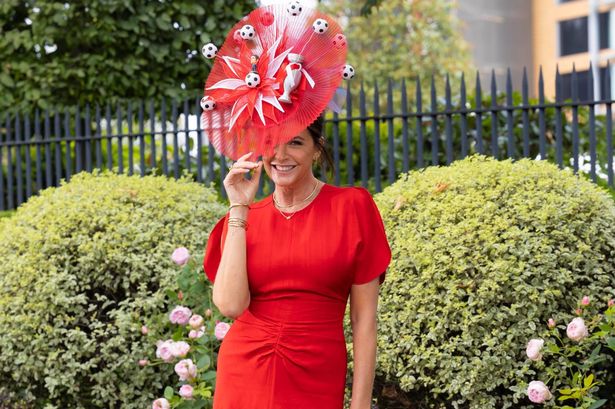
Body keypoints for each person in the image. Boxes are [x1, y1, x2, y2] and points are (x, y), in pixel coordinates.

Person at [203, 114, 391, 409]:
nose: (280, 155)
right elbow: (230, 306)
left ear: (317, 148)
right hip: (244, 373)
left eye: (295, 142)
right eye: (271, 143)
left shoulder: (353, 208)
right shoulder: (240, 219)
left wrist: (360, 404)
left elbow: (363, 321)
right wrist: (239, 208)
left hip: (317, 373)